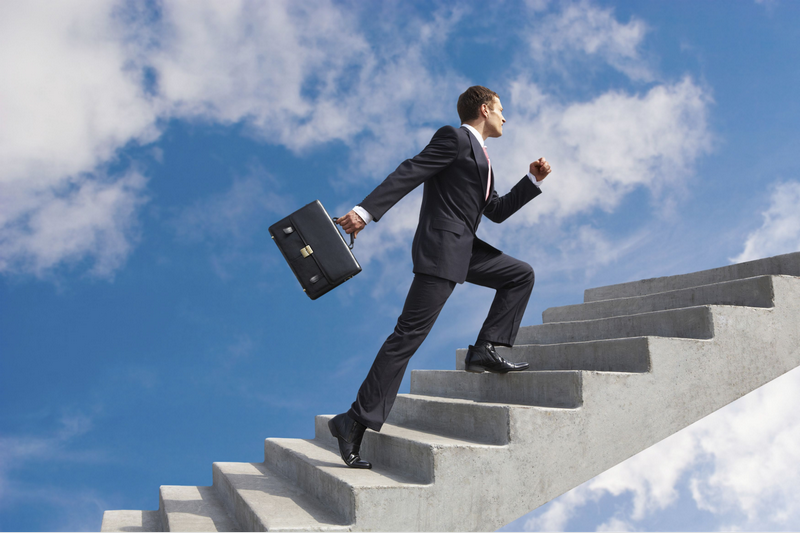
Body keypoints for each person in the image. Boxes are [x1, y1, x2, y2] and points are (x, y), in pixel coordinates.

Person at [330, 86, 552, 469]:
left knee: (520, 275)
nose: (505, 117)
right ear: (484, 109)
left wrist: (530, 182)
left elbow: (494, 211)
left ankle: (484, 349)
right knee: (407, 337)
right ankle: (353, 421)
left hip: (464, 251)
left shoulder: (482, 158)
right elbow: (410, 170)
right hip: (441, 251)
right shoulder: (453, 138)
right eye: (501, 110)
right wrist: (364, 212)